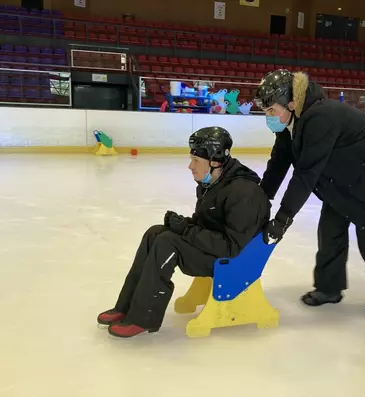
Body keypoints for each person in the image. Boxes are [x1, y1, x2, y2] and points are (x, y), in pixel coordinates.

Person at [97, 126, 271, 337]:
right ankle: (125, 306)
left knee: (167, 242)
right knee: (155, 233)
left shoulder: (244, 193)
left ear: (215, 161)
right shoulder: (213, 183)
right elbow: (207, 226)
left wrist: (185, 229)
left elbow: (230, 247)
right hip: (216, 249)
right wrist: (182, 224)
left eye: (196, 161)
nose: (190, 166)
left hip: (232, 261)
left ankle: (143, 318)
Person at [254, 69, 365, 316]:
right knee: (330, 230)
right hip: (344, 177)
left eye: (271, 111)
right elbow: (279, 163)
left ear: (290, 102)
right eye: (265, 112)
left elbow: (306, 175)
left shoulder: (320, 117)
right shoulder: (291, 121)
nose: (268, 117)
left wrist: (282, 220)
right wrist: (260, 199)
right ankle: (328, 288)